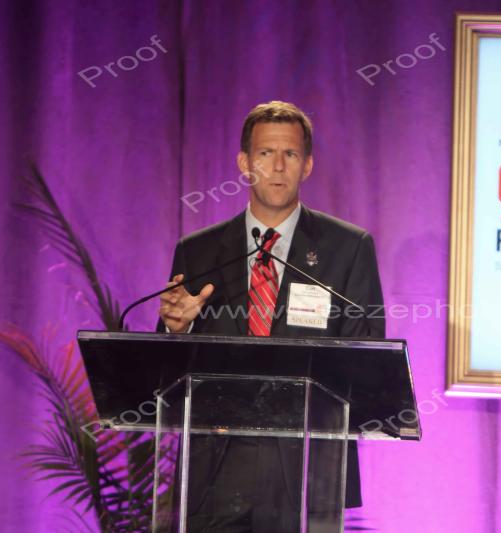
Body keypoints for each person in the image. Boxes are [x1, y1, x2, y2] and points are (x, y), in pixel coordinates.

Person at [157, 101, 385, 531]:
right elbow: (167, 374)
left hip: (309, 467)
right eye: (265, 153)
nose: (278, 166)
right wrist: (177, 328)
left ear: (307, 165)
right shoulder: (199, 251)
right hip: (215, 470)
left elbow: (366, 354)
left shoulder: (347, 248)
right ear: (244, 163)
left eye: (291, 154)